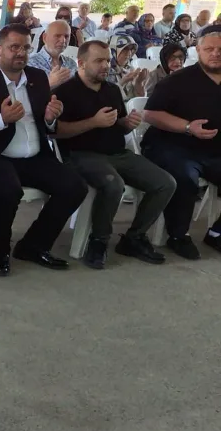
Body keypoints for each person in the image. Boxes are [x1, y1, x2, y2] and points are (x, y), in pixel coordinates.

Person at [0, 23, 87, 276]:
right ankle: (1, 252)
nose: (21, 53)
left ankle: (33, 245)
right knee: (8, 189)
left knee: (75, 186)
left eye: (26, 48)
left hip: (34, 156)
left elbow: (45, 125)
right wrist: (1, 120)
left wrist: (50, 118)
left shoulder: (37, 78)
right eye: (14, 47)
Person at [55, 40, 175, 269]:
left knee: (165, 182)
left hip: (117, 152)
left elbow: (118, 124)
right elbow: (56, 132)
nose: (105, 66)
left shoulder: (111, 89)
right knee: (113, 184)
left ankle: (134, 237)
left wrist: (127, 123)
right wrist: (93, 122)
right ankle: (98, 240)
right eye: (99, 61)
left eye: (107, 60)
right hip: (81, 154)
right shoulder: (64, 92)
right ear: (81, 63)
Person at [140, 26, 221, 261]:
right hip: (172, 145)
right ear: (198, 50)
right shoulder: (178, 80)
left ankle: (216, 233)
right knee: (185, 176)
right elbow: (150, 114)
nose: (215, 53)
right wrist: (187, 127)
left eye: (220, 49)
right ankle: (178, 235)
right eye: (209, 49)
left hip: (214, 149)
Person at [27, 19, 77, 89]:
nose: (63, 40)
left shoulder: (71, 64)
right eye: (57, 36)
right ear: (45, 37)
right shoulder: (30, 63)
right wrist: (49, 84)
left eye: (66, 36)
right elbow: (26, 93)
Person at [106, 34, 147, 101]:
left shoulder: (130, 68)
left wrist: (139, 82)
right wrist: (123, 82)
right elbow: (106, 97)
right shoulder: (105, 70)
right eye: (125, 49)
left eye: (131, 49)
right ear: (113, 50)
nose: (129, 53)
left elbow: (139, 98)